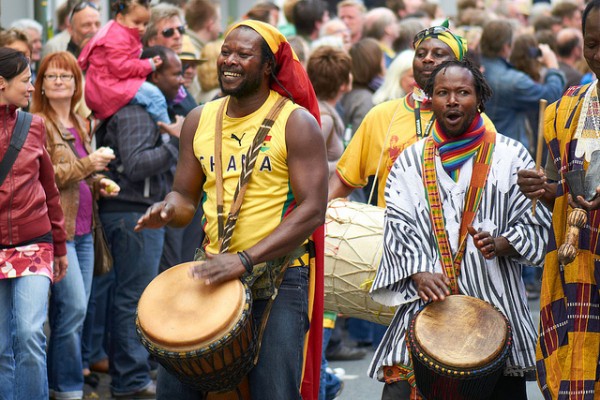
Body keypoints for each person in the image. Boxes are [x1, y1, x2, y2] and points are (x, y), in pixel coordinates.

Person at [134, 20, 328, 400]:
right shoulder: (199, 119)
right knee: (176, 390)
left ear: (268, 65)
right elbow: (185, 198)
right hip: (212, 269)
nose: (230, 61)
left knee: (273, 392)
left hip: (281, 274)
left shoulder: (296, 122)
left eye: (243, 54)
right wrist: (167, 210)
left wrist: (245, 259)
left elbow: (312, 210)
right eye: (226, 51)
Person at [369, 58, 552, 399]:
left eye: (462, 92)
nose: (452, 101)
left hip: (495, 313)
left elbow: (538, 225)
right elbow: (396, 227)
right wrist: (419, 272)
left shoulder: (512, 156)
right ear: (430, 100)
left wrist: (503, 243)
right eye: (442, 93)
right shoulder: (409, 161)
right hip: (426, 313)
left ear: (479, 100)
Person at [517, 1, 600, 397]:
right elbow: (561, 187)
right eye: (592, 43)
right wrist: (544, 189)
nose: (598, 55)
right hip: (576, 261)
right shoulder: (568, 106)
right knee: (577, 375)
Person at [30, 50, 119, 400]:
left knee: (74, 310)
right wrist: (89, 164)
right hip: (59, 232)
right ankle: (67, 387)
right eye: (50, 76)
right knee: (75, 307)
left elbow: (80, 175)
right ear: (40, 85)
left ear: (76, 83)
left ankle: (63, 383)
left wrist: (98, 182)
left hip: (85, 229)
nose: (59, 82)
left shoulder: (81, 122)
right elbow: (49, 175)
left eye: (65, 76)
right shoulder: (37, 122)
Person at [95, 45, 183, 399]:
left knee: (133, 294)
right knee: (133, 296)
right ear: (153, 75)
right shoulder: (133, 112)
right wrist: (176, 143)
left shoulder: (147, 108)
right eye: (175, 74)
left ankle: (134, 371)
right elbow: (135, 165)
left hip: (138, 210)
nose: (180, 81)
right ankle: (130, 379)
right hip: (131, 212)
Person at [329, 22, 490, 207]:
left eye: (438, 54)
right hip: (393, 233)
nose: (427, 59)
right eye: (420, 54)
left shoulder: (476, 122)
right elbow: (344, 179)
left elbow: (493, 186)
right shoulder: (381, 116)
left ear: (458, 65)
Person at [0, 48, 68, 400]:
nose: (32, 88)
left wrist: (59, 245)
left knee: (28, 333)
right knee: (0, 347)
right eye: (26, 81)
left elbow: (49, 188)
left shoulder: (33, 125)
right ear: (1, 83)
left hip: (34, 243)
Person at [78, 0, 176, 128]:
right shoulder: (116, 36)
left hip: (106, 86)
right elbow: (121, 67)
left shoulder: (121, 33)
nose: (141, 28)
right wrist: (148, 65)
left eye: (145, 24)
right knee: (154, 96)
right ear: (120, 18)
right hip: (107, 88)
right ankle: (167, 132)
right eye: (136, 22)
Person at [480, 19, 565, 153]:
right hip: (505, 152)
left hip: (481, 148)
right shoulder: (513, 81)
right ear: (506, 47)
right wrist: (553, 67)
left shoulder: (472, 68)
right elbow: (549, 97)